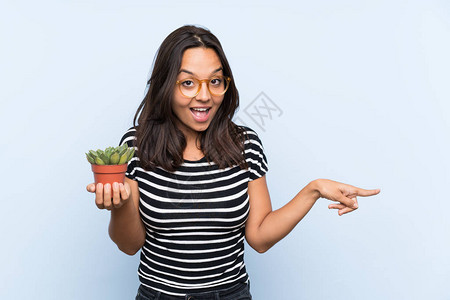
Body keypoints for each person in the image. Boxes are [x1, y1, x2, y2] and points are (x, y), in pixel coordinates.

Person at [86, 24, 380, 300]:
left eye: (215, 81)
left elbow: (260, 238)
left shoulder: (245, 144)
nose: (205, 96)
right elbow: (128, 245)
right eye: (188, 83)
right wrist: (119, 205)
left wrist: (314, 189)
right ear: (166, 85)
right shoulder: (137, 146)